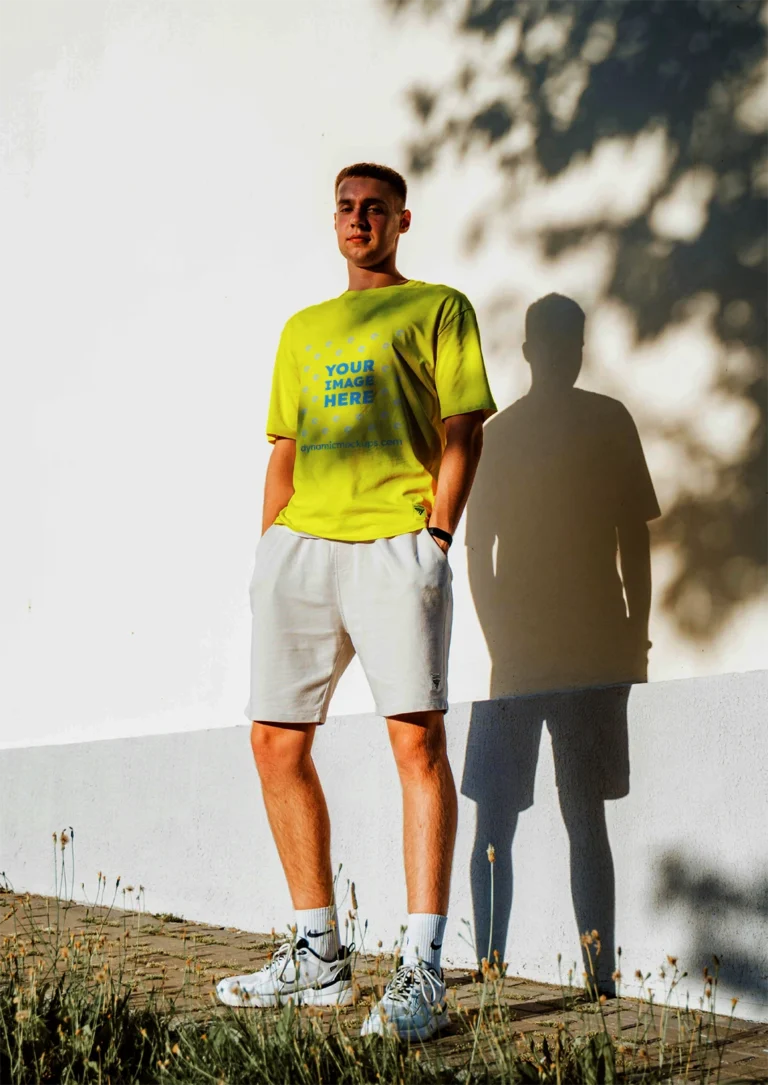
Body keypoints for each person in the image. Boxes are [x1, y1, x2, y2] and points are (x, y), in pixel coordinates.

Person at [216, 163, 496, 1040]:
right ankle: (318, 956)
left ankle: (422, 972)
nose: (358, 219)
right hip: (301, 550)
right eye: (345, 207)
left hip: (393, 547)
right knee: (274, 739)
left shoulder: (439, 308)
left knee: (416, 742)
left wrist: (438, 537)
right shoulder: (304, 329)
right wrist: (269, 553)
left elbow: (463, 429)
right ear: (334, 220)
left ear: (402, 219)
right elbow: (286, 447)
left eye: (375, 208)